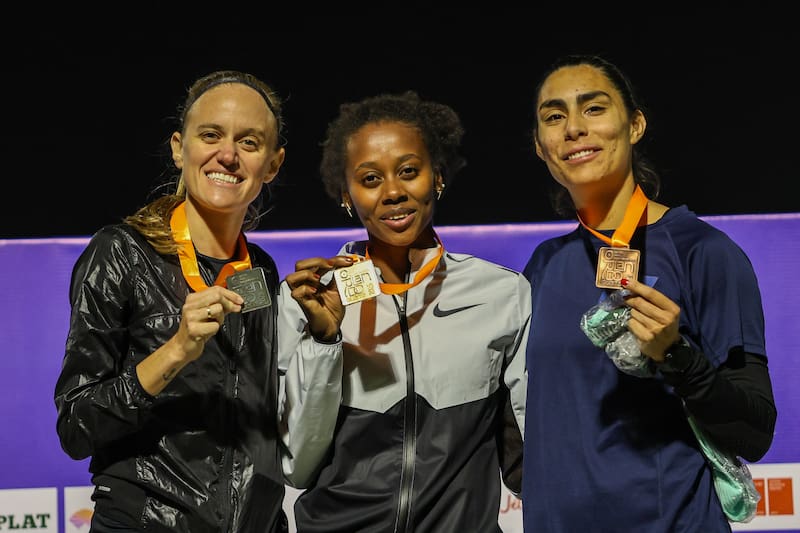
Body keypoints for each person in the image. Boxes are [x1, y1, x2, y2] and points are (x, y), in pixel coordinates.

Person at [54, 70, 346, 533]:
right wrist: (175, 351)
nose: (227, 155)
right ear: (178, 147)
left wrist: (322, 335)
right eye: (211, 135)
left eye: (249, 142)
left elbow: (268, 429)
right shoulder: (120, 254)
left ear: (272, 164)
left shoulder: (259, 272)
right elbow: (76, 426)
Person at [521, 54, 777, 532]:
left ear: (635, 125)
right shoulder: (542, 265)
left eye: (593, 108)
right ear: (541, 147)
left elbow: (755, 431)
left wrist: (677, 356)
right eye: (554, 117)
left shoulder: (703, 252)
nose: (573, 128)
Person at [284, 90, 531, 532]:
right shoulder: (308, 299)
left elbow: (529, 459)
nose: (393, 192)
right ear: (346, 194)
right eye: (371, 179)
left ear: (437, 176)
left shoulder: (502, 294)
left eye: (409, 172)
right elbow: (298, 467)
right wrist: (325, 341)